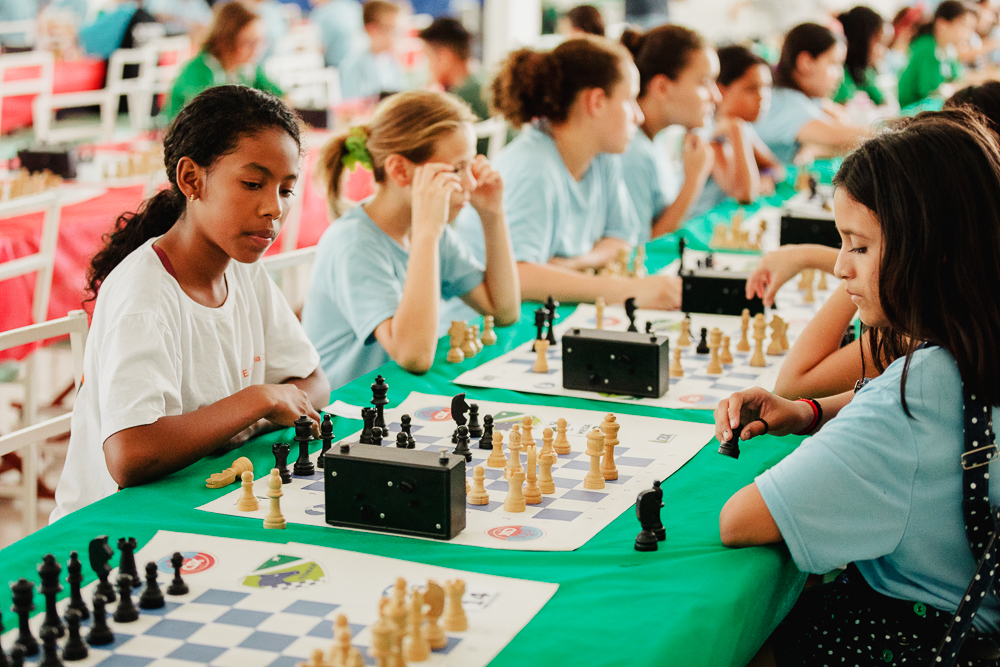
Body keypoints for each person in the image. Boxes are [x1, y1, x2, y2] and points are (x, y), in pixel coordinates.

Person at [716, 108, 1000, 665]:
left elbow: (742, 520)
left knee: (741, 643)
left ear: (933, 250)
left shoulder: (921, 394)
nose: (840, 268)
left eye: (859, 246)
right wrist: (810, 412)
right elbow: (947, 420)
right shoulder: (971, 348)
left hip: (915, 635)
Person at [52, 86, 329, 522]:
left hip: (205, 498)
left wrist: (246, 415)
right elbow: (131, 455)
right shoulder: (145, 294)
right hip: (116, 525)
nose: (273, 208)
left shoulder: (242, 267)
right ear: (191, 180)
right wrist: (256, 402)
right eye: (253, 184)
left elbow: (312, 381)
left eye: (286, 190)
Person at [301, 91, 520, 388]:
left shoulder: (429, 231)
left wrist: (493, 216)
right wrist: (427, 233)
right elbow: (413, 356)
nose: (470, 183)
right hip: (350, 409)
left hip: (401, 395)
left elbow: (503, 310)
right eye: (456, 169)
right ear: (400, 170)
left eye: (471, 165)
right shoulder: (354, 243)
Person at [453, 36, 681, 310]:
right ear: (596, 101)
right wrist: (627, 290)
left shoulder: (602, 158)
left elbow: (621, 238)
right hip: (475, 327)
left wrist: (574, 264)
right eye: (630, 99)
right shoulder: (534, 167)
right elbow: (520, 277)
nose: (639, 116)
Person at [618, 25, 720, 240]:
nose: (716, 96)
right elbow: (642, 247)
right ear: (662, 87)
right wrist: (693, 180)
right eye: (704, 82)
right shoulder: (631, 151)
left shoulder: (658, 138)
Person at [754, 23, 871, 165]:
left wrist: (814, 149)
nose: (840, 75)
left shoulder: (805, 97)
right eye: (833, 64)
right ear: (805, 62)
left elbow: (841, 118)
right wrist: (894, 133)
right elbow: (838, 136)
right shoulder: (786, 102)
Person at [693, 45, 786, 218]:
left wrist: (767, 177)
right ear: (721, 90)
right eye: (752, 89)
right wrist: (736, 130)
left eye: (767, 87)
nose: (763, 97)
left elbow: (775, 166)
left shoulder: (744, 126)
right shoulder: (710, 135)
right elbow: (744, 194)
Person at [166, 2, 281, 120]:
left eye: (261, 42)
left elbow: (281, 97)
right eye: (248, 43)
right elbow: (214, 118)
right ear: (226, 39)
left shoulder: (247, 68)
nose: (257, 50)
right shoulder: (199, 71)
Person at [897, 1, 974, 108]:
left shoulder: (948, 49)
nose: (967, 33)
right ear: (942, 24)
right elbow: (931, 91)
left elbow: (960, 79)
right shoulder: (926, 47)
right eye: (962, 25)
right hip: (916, 111)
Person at [418, 18, 488, 122]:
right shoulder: (482, 81)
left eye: (428, 58)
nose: (427, 67)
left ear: (445, 57)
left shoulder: (460, 101)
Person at [338, 0, 404, 100]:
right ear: (371, 29)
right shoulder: (352, 66)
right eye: (390, 29)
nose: (395, 36)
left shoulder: (392, 63)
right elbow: (351, 106)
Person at [834, 6, 891, 106]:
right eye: (880, 43)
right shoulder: (839, 76)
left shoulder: (864, 73)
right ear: (861, 40)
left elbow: (886, 103)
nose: (885, 52)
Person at [309, 0, 363, 68]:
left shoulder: (321, 13)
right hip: (357, 62)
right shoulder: (353, 6)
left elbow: (319, 48)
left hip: (335, 66)